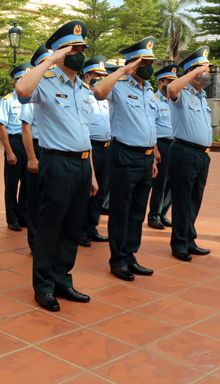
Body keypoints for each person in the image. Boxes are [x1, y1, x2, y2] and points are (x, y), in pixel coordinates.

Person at [16, 20, 98, 312]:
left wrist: (92, 173)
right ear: (61, 52)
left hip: (82, 164)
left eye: (82, 48)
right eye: (73, 49)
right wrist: (50, 59)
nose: (79, 53)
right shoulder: (46, 81)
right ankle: (44, 286)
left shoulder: (83, 88)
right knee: (50, 227)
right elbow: (22, 92)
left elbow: (84, 132)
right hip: (57, 162)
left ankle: (63, 279)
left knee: (73, 227)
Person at [93, 37, 158, 282]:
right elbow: (98, 91)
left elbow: (149, 124)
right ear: (134, 64)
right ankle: (118, 259)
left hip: (145, 156)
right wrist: (122, 70)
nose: (151, 66)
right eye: (146, 62)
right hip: (124, 153)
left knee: (138, 211)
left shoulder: (149, 90)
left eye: (152, 61)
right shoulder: (119, 85)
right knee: (121, 209)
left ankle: (130, 255)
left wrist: (152, 155)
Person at [166, 47, 214, 261]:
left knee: (195, 198)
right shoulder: (182, 93)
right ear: (192, 72)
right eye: (204, 70)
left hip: (202, 155)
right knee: (182, 199)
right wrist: (194, 72)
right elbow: (171, 89)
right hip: (184, 152)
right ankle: (178, 244)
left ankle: (189, 239)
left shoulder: (202, 96)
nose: (207, 74)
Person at [20, 44, 52, 252]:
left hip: (53, 152)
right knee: (35, 198)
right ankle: (34, 240)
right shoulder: (34, 89)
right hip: (38, 149)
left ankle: (48, 240)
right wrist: (31, 158)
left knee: (50, 199)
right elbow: (26, 127)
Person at [79, 55, 110, 247]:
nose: (101, 78)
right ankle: (80, 230)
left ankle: (92, 226)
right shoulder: (82, 94)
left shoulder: (105, 97)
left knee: (101, 190)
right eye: (97, 75)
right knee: (85, 190)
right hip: (89, 147)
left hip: (106, 147)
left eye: (103, 74)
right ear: (87, 76)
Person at [0, 65, 30, 232]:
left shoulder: (33, 98)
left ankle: (24, 216)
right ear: (15, 81)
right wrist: (9, 151)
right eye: (20, 80)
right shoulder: (8, 100)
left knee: (28, 182)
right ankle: (12, 218)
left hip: (29, 143)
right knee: (12, 183)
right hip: (15, 142)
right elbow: (2, 127)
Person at [147, 65, 175, 230]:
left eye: (174, 81)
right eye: (168, 81)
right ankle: (154, 215)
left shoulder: (176, 100)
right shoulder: (155, 100)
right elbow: (152, 126)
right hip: (162, 144)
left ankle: (164, 213)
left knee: (172, 182)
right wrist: (155, 148)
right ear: (160, 83)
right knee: (160, 182)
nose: (171, 84)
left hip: (176, 144)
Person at [100, 62, 120, 216]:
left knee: (108, 178)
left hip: (110, 142)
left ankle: (104, 203)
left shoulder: (116, 95)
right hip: (94, 145)